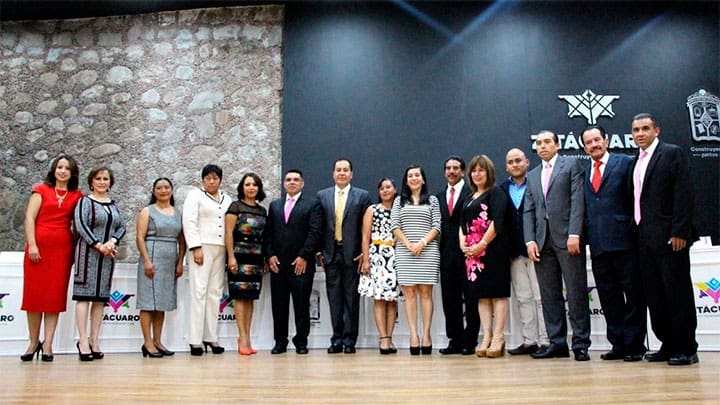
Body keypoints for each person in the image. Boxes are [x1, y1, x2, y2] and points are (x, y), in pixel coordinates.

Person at [630, 113, 699, 366]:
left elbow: (684, 193)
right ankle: (668, 344)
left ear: (656, 130)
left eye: (645, 128)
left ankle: (687, 348)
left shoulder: (671, 153)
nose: (640, 133)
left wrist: (680, 231)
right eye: (636, 130)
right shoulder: (636, 161)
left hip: (671, 239)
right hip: (644, 239)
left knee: (677, 294)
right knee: (655, 296)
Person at [523, 130, 591, 361]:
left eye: (546, 142)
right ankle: (557, 343)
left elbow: (577, 200)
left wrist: (575, 233)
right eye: (538, 143)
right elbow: (529, 210)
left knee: (576, 292)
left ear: (557, 144)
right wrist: (530, 240)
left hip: (568, 239)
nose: (542, 146)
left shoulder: (571, 165)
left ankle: (580, 344)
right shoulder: (533, 175)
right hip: (542, 243)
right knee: (549, 295)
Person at [581, 125, 647, 362]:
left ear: (606, 141)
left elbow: (637, 198)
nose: (594, 145)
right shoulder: (584, 172)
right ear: (584, 148)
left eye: (597, 140)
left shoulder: (626, 163)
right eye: (588, 142)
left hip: (625, 241)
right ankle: (618, 344)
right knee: (609, 298)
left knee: (634, 296)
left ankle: (635, 345)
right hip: (598, 245)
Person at [21, 154, 83, 362]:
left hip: (61, 251)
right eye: (59, 167)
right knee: (33, 298)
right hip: (37, 249)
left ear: (72, 173)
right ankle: (33, 342)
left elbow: (78, 225)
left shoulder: (77, 196)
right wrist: (32, 244)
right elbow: (29, 217)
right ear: (54, 170)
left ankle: (48, 344)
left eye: (67, 168)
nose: (63, 171)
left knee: (53, 298)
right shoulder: (41, 190)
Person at [316, 158, 372, 354]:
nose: (341, 173)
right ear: (333, 174)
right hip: (330, 254)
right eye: (338, 170)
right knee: (334, 299)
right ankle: (336, 339)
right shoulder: (322, 196)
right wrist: (319, 252)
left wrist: (364, 253)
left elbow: (368, 227)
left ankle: (349, 340)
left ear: (351, 174)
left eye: (345, 170)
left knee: (351, 299)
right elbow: (317, 226)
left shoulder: (362, 196)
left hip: (353, 255)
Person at [265, 169, 322, 355]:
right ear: (284, 183)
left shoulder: (312, 204)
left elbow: (315, 232)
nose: (292, 182)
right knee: (279, 305)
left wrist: (304, 255)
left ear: (302, 184)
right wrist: (270, 255)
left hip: (301, 264)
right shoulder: (274, 206)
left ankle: (301, 342)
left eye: (296, 180)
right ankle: (280, 342)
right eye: (288, 179)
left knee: (302, 304)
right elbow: (268, 234)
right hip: (278, 265)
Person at [459, 155, 510, 358]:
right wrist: (462, 243)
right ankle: (486, 336)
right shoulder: (469, 196)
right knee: (481, 296)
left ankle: (498, 337)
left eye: (481, 170)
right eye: (474, 170)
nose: (477, 174)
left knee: (497, 294)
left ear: (489, 172)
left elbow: (497, 221)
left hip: (493, 251)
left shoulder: (496, 193)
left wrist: (482, 244)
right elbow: (462, 225)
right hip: (473, 256)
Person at [73, 166, 126, 361]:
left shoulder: (113, 205)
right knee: (84, 296)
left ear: (110, 183)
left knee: (100, 299)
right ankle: (82, 340)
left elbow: (121, 227)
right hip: (87, 254)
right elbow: (80, 224)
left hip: (107, 256)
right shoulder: (84, 202)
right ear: (91, 182)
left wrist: (112, 241)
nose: (102, 182)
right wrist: (97, 244)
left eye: (105, 179)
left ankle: (94, 339)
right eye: (98, 178)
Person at [500, 148, 549, 356]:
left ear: (527, 162)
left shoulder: (538, 183)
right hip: (514, 253)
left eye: (518, 160)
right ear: (506, 167)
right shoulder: (502, 189)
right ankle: (530, 341)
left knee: (541, 297)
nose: (515, 165)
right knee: (523, 298)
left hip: (538, 250)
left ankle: (546, 340)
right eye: (511, 162)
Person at [391, 164, 441, 355]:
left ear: (423, 179)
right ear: (406, 180)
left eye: (417, 175)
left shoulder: (433, 200)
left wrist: (421, 243)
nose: (414, 178)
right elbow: (395, 226)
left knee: (426, 294)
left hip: (427, 251)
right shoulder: (399, 201)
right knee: (410, 294)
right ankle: (413, 335)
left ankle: (426, 335)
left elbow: (437, 226)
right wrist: (408, 245)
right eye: (410, 175)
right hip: (405, 252)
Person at [183, 164, 232, 356]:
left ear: (220, 180)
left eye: (215, 178)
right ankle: (195, 340)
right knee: (199, 292)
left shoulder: (227, 198)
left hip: (221, 248)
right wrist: (195, 247)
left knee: (215, 293)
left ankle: (211, 337)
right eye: (208, 178)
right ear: (203, 180)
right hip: (201, 247)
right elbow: (189, 222)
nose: (212, 181)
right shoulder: (194, 196)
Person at [135, 177, 185, 358]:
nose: (163, 190)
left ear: (171, 190)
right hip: (152, 258)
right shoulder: (147, 211)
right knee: (148, 302)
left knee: (161, 303)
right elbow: (140, 238)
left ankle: (158, 341)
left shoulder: (178, 213)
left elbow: (182, 240)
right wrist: (147, 261)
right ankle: (147, 342)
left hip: (170, 261)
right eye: (159, 188)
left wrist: (180, 262)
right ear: (154, 191)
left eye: (166, 187)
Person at [436, 156, 479, 355]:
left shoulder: (473, 193)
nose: (451, 171)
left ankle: (470, 341)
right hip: (446, 254)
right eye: (448, 168)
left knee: (471, 298)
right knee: (450, 299)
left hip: (469, 253)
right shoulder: (438, 196)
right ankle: (455, 339)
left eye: (455, 168)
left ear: (463, 172)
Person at [225, 173, 268, 355]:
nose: (251, 188)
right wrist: (231, 257)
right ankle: (241, 338)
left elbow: (264, 236)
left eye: (254, 184)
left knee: (250, 298)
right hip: (238, 257)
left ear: (259, 188)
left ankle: (248, 338)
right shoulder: (235, 207)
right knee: (240, 297)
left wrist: (265, 258)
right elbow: (228, 233)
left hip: (256, 258)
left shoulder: (262, 210)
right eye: (247, 184)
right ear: (242, 188)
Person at [358, 178, 401, 354]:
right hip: (377, 256)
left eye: (388, 187)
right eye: (382, 188)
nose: (385, 190)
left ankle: (389, 338)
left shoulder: (400, 210)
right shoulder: (372, 209)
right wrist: (366, 260)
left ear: (395, 189)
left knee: (391, 299)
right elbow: (365, 236)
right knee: (379, 298)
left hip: (396, 257)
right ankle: (382, 337)